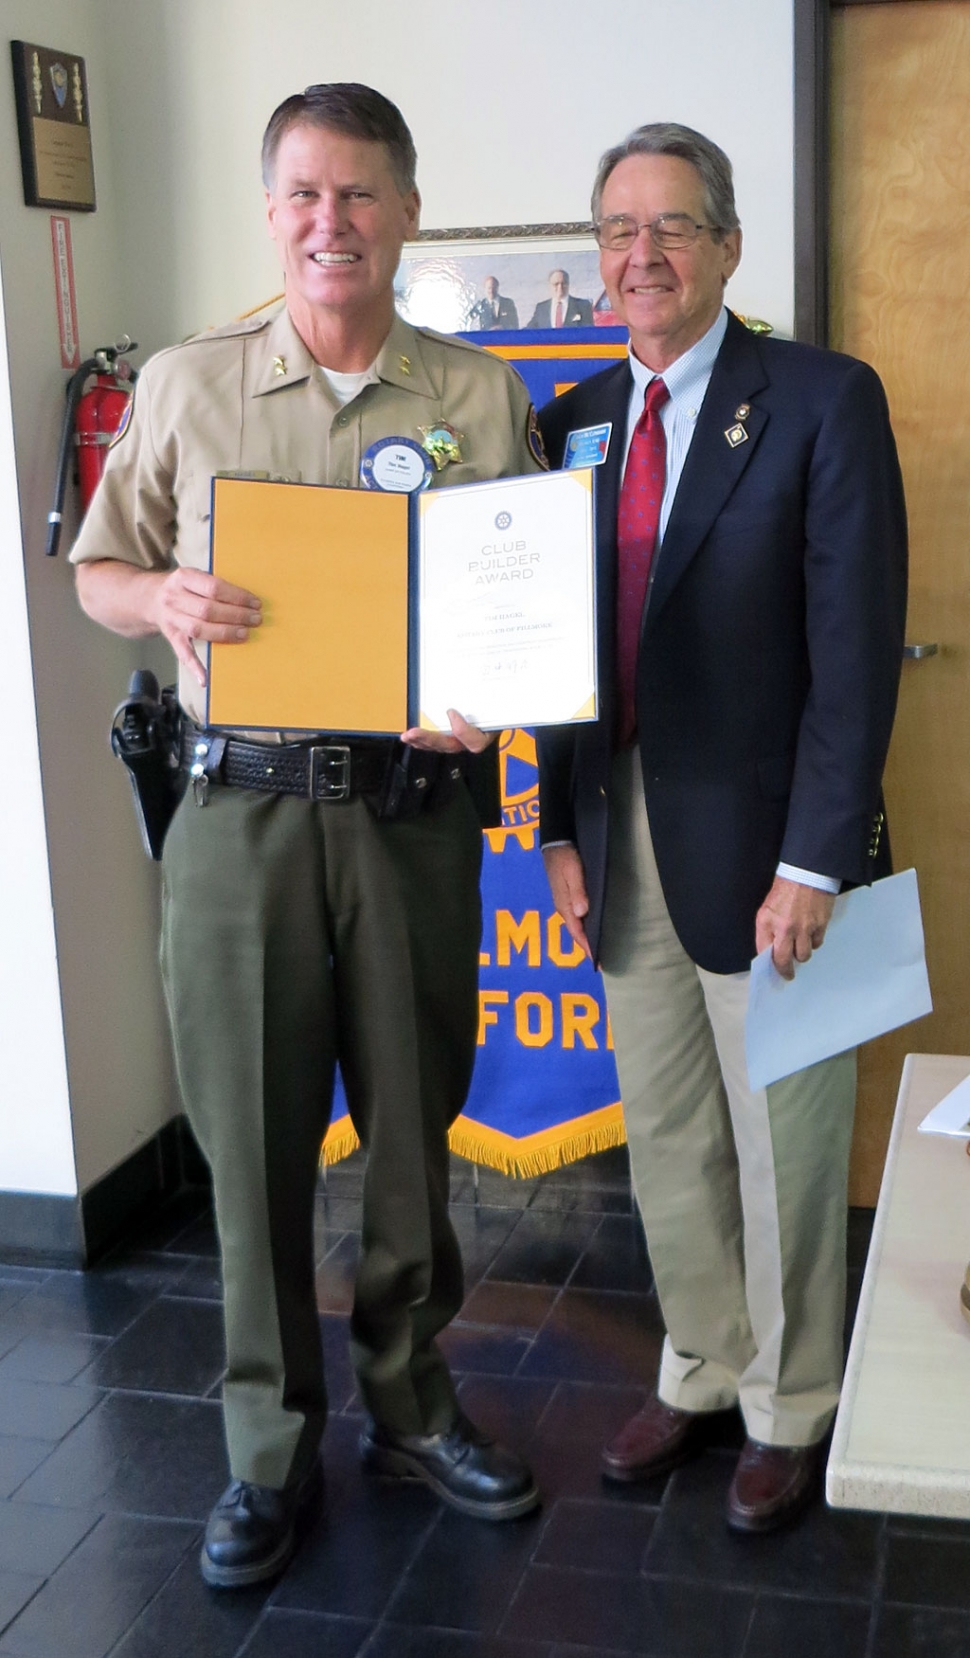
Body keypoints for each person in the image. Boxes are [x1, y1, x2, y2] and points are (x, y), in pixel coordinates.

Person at [71, 82, 545, 1590]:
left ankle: (412, 1402)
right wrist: (165, 601)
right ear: (270, 209)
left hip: (411, 821)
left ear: (407, 210)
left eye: (358, 194)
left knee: (414, 1127)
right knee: (251, 1145)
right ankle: (263, 1446)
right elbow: (99, 568)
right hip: (240, 819)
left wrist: (492, 698)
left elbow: (522, 606)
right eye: (301, 195)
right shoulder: (186, 386)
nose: (328, 222)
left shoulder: (476, 398)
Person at [536, 122, 906, 1533]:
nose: (642, 254)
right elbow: (552, 643)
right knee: (670, 1129)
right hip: (615, 830)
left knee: (787, 1141)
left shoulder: (819, 399)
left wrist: (816, 856)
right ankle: (700, 1364)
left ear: (728, 246)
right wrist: (557, 826)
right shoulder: (567, 414)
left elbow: (852, 648)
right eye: (618, 229)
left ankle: (791, 1399)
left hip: (773, 848)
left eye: (673, 226)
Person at [527, 269, 594, 328]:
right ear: (550, 286)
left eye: (563, 283)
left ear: (568, 284)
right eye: (556, 284)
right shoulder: (541, 308)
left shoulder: (583, 306)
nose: (560, 287)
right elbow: (529, 331)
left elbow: (589, 332)